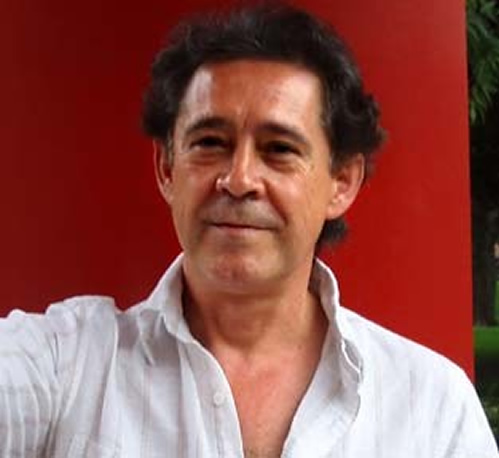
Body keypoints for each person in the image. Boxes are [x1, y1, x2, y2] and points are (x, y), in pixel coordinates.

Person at [1, 3, 497, 457]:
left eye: (279, 149)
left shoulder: (433, 410)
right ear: (167, 168)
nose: (238, 180)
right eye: (209, 142)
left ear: (342, 182)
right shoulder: (66, 364)